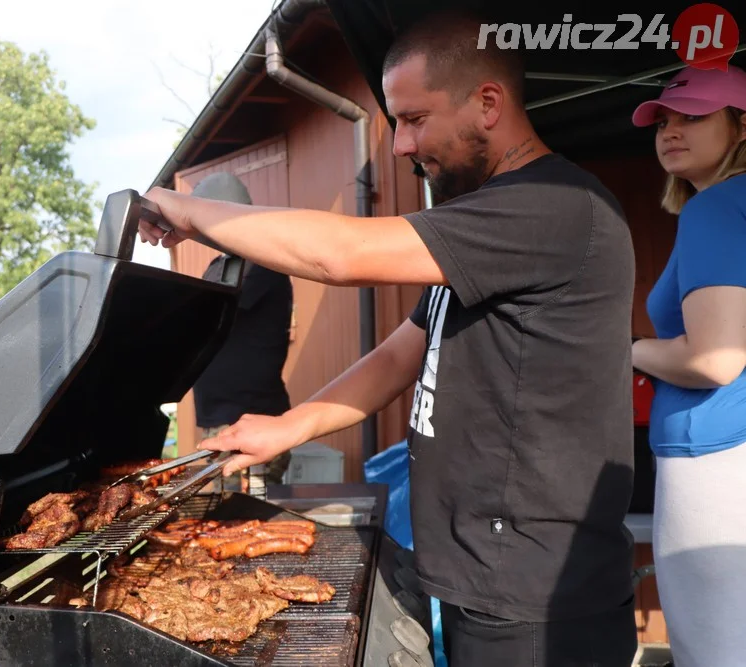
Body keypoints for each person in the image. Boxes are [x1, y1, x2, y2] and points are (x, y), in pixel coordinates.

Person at [139, 9, 637, 666]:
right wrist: (289, 427)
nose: (400, 144)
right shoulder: (487, 223)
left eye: (414, 118)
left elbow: (340, 254)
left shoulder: (553, 206)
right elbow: (403, 351)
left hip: (538, 601)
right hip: (489, 581)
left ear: (488, 103)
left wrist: (187, 209)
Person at [630, 65, 746, 667]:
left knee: (715, 654)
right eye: (665, 120)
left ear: (742, 125)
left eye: (695, 117)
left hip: (717, 465)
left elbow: (715, 358)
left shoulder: (718, 209)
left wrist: (627, 350)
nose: (671, 131)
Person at [189, 172, 294, 491]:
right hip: (218, 422)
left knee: (245, 521)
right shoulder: (218, 265)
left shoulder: (264, 261)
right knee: (224, 521)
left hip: (252, 421)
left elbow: (218, 306)